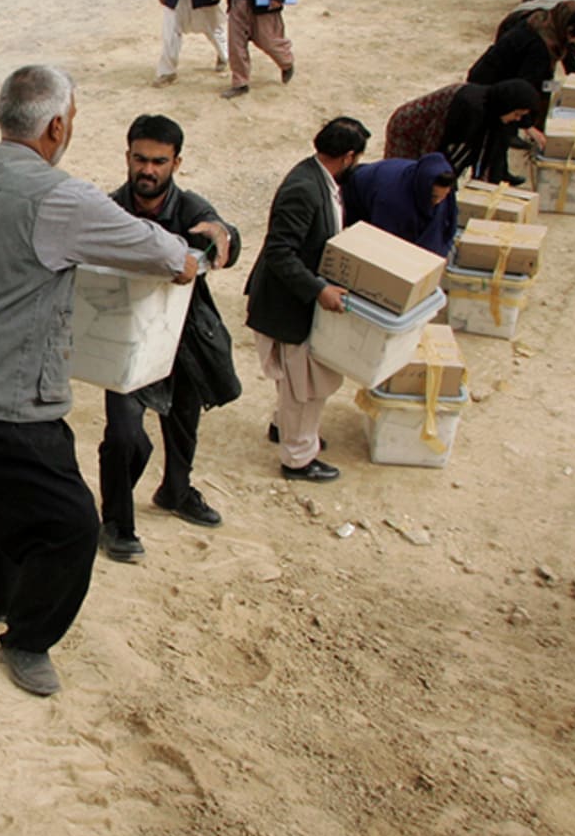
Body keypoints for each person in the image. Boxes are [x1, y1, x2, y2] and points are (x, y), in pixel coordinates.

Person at [0, 65, 195, 698]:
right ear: (56, 126)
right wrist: (204, 247)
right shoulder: (62, 197)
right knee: (71, 525)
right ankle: (28, 639)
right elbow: (168, 257)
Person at [96, 114, 241, 555]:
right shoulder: (110, 210)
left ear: (176, 163)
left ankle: (175, 491)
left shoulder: (191, 209)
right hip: (126, 340)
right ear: (127, 156)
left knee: (183, 426)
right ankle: (116, 524)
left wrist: (221, 237)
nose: (148, 170)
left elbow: (223, 237)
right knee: (124, 436)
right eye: (140, 159)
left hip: (184, 339)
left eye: (159, 161)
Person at [243, 117, 371, 484]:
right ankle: (298, 457)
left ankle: (283, 426)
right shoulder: (304, 188)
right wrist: (318, 289)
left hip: (290, 301)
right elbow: (280, 252)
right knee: (304, 385)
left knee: (294, 379)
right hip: (288, 305)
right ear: (348, 157)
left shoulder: (316, 179)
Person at [382, 79, 543, 184]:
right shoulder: (469, 109)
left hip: (433, 131)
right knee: (403, 177)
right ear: (507, 106)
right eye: (516, 114)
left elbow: (490, 155)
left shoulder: (493, 111)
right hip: (410, 129)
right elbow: (435, 145)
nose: (516, 119)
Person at [343, 153, 460, 257]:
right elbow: (385, 244)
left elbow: (444, 232)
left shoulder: (445, 194)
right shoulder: (392, 200)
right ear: (423, 189)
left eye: (443, 196)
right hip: (358, 195)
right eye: (434, 196)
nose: (438, 201)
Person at [467, 2, 575, 95]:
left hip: (495, 74)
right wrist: (561, 88)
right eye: (574, 35)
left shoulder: (546, 20)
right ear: (567, 27)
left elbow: (567, 49)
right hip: (489, 85)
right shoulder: (540, 46)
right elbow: (531, 86)